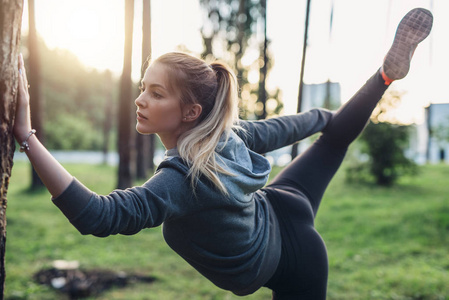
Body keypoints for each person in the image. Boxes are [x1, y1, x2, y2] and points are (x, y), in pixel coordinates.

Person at [14, 7, 433, 299]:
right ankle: (384, 75)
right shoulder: (226, 135)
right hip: (285, 208)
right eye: (143, 87)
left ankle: (379, 79)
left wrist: (27, 137)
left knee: (332, 138)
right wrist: (327, 117)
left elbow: (99, 215)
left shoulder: (180, 180)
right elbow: (282, 128)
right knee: (334, 139)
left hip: (296, 257)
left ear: (191, 112)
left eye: (156, 93)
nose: (141, 100)